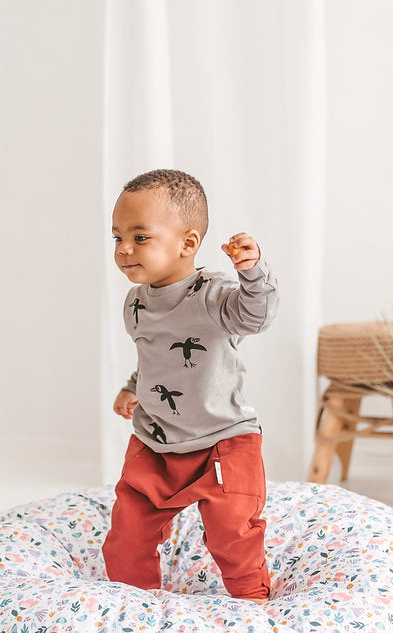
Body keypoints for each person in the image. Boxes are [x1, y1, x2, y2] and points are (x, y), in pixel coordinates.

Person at [102, 169, 279, 603]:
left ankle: (253, 604)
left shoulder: (213, 295)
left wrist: (252, 274)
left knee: (233, 533)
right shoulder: (136, 302)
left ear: (187, 243)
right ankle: (135, 608)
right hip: (157, 442)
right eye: (117, 237)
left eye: (140, 237)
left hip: (223, 441)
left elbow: (256, 316)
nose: (124, 249)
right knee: (126, 539)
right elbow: (153, 357)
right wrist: (131, 387)